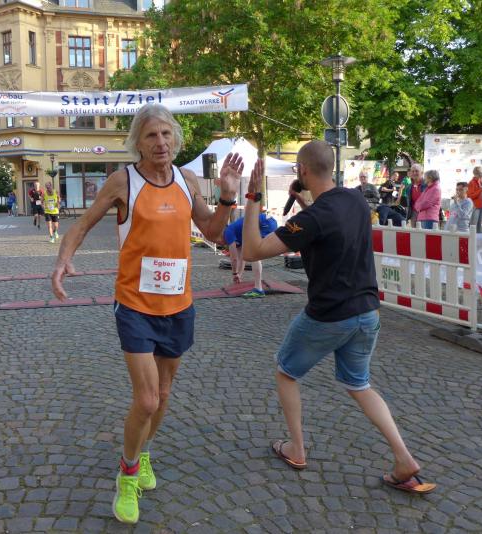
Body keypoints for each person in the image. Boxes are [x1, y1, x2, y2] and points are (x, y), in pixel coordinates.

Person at [51, 104, 243, 524]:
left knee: (165, 396)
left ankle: (143, 452)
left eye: (166, 134)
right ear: (137, 142)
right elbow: (83, 224)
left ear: (176, 139)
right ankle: (127, 472)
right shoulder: (124, 181)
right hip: (135, 304)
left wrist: (228, 196)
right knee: (147, 398)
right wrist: (64, 259)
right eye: (151, 135)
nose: (160, 143)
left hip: (178, 304)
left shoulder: (187, 180)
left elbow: (212, 232)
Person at [240, 140, 436, 495]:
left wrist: (253, 198)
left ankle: (296, 448)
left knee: (286, 371)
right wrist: (304, 203)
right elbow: (332, 223)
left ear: (302, 171)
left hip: (329, 316)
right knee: (359, 384)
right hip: (367, 312)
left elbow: (253, 250)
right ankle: (403, 457)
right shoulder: (355, 200)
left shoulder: (310, 219)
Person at [222, 213, 279, 298]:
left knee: (254, 254)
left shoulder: (228, 232)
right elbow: (242, 257)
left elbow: (234, 259)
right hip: (269, 221)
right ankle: (259, 286)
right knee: (254, 254)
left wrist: (234, 273)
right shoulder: (237, 233)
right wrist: (239, 274)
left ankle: (258, 289)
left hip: (264, 223)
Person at [467, 166, 482, 232]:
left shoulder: (480, 181)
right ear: (476, 173)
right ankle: (472, 238)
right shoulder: (471, 183)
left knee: (480, 226)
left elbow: (481, 193)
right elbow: (470, 196)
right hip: (475, 206)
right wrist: (480, 190)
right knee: (473, 226)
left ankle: (479, 238)